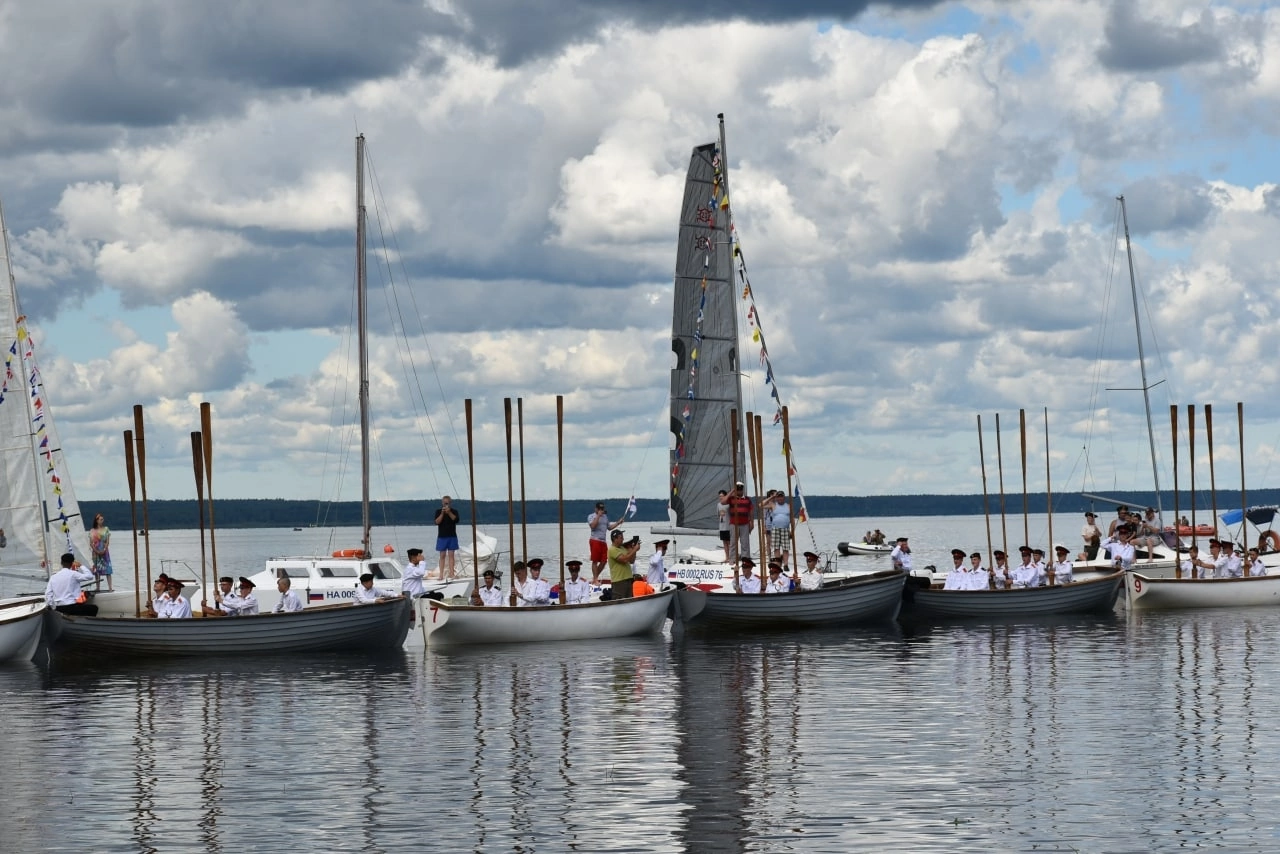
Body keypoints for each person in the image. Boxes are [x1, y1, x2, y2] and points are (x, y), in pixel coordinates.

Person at [588, 502, 624, 583]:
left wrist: (618, 522)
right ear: (596, 509)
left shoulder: (605, 517)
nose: (601, 510)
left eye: (602, 509)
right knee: (595, 560)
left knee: (604, 561)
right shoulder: (591, 516)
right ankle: (595, 579)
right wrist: (598, 516)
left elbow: (609, 527)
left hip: (603, 541)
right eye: (600, 509)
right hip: (595, 540)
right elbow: (593, 526)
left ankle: (595, 578)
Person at [720, 482, 753, 561]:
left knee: (745, 542)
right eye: (737, 490)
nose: (739, 492)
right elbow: (723, 502)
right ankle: (732, 559)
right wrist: (732, 491)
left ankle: (745, 558)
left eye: (740, 490)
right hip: (734, 523)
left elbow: (751, 511)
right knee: (733, 542)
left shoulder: (747, 499)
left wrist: (751, 522)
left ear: (742, 490)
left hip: (745, 523)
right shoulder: (731, 498)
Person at [608, 530, 642, 599]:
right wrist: (634, 549)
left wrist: (633, 549)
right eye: (621, 538)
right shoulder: (612, 549)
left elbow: (631, 561)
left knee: (629, 601)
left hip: (628, 579)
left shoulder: (623, 548)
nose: (623, 539)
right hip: (619, 581)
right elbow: (624, 559)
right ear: (615, 539)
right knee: (619, 601)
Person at [434, 495, 460, 580]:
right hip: (442, 536)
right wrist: (442, 513)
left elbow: (455, 520)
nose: (446, 505)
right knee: (442, 555)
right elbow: (437, 522)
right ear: (442, 503)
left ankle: (452, 573)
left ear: (450, 503)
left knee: (451, 555)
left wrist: (449, 512)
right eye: (444, 503)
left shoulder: (454, 511)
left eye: (447, 503)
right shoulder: (438, 511)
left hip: (452, 535)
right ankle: (441, 574)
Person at [89, 513, 113, 592]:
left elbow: (107, 541)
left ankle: (110, 587)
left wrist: (104, 549)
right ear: (96, 520)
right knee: (96, 570)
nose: (102, 521)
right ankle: (98, 587)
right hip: (96, 552)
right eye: (100, 519)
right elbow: (91, 543)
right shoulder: (92, 531)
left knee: (108, 569)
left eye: (103, 519)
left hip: (104, 552)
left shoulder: (106, 529)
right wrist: (96, 551)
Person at [768, 490, 791, 566]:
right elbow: (760, 505)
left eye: (781, 496)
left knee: (785, 547)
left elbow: (791, 519)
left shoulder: (788, 506)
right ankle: (778, 563)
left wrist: (791, 531)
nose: (780, 498)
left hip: (785, 529)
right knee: (776, 547)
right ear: (777, 498)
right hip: (775, 528)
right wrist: (772, 497)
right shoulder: (773, 505)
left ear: (784, 497)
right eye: (779, 497)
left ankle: (786, 564)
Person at [717, 490, 731, 561]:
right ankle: (727, 557)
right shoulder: (718, 504)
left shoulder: (728, 505)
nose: (720, 497)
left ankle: (731, 557)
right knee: (724, 543)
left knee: (729, 543)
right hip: (722, 527)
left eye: (722, 496)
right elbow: (718, 515)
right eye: (719, 496)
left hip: (728, 527)